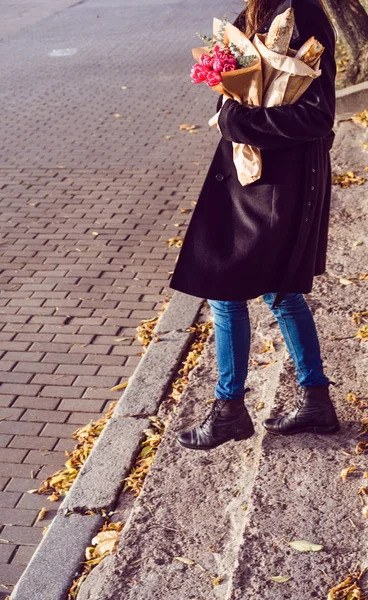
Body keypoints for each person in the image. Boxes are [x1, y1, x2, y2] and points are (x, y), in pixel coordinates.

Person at [169, 0, 340, 450]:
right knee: (280, 290)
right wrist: (230, 96)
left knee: (225, 289)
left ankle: (229, 412)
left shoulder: (302, 16)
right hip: (263, 180)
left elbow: (319, 116)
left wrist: (239, 120)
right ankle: (317, 402)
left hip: (278, 185)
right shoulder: (264, 11)